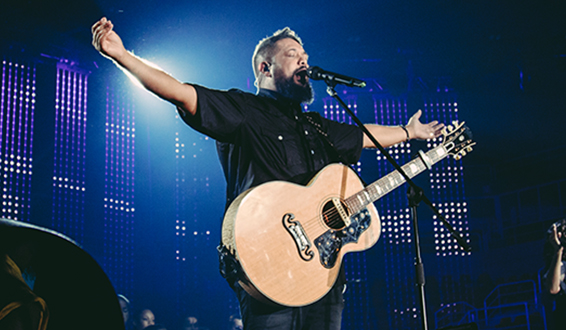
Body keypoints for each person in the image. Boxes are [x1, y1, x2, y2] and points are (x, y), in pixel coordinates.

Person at [92, 17, 444, 329]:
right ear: (265, 68)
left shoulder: (316, 125)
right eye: (292, 54)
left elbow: (364, 136)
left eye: (304, 54)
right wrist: (122, 56)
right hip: (267, 261)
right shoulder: (245, 110)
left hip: (323, 268)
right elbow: (182, 93)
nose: (303, 59)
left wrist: (410, 132)